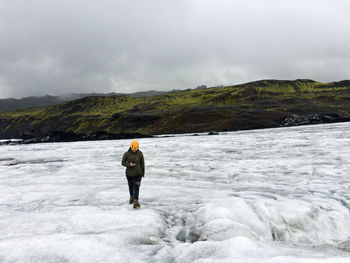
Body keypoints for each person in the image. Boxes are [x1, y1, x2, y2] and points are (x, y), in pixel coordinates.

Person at [121, 140, 145, 209]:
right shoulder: (126, 154)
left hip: (138, 173)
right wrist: (129, 164)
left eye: (136, 149)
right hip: (129, 174)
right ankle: (131, 197)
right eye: (133, 149)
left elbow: (142, 163)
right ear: (131, 147)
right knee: (131, 185)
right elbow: (122, 163)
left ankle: (136, 201)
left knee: (136, 186)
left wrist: (143, 173)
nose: (134, 150)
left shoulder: (140, 153)